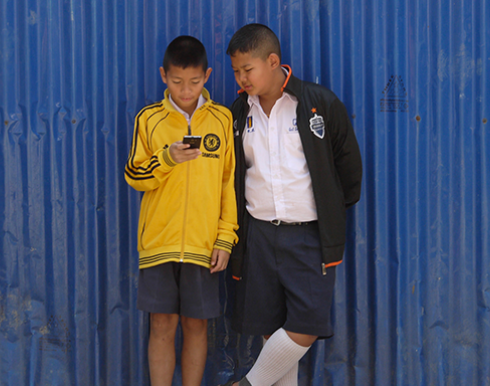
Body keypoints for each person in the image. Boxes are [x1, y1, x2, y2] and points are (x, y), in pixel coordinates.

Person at [223, 24, 362, 386]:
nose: (241, 78)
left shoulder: (318, 103)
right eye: (236, 71)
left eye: (247, 70)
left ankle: (248, 385)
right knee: (272, 330)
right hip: (260, 235)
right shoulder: (238, 113)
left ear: (273, 61)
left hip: (309, 235)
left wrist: (330, 209)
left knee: (306, 326)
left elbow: (349, 167)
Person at [125, 35, 238, 386]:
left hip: (203, 247)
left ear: (207, 75)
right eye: (176, 82)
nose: (185, 90)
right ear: (163, 76)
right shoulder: (149, 119)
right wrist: (167, 158)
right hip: (159, 244)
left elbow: (228, 184)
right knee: (161, 324)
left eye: (193, 82)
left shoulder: (221, 120)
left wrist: (224, 238)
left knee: (197, 324)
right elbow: (134, 175)